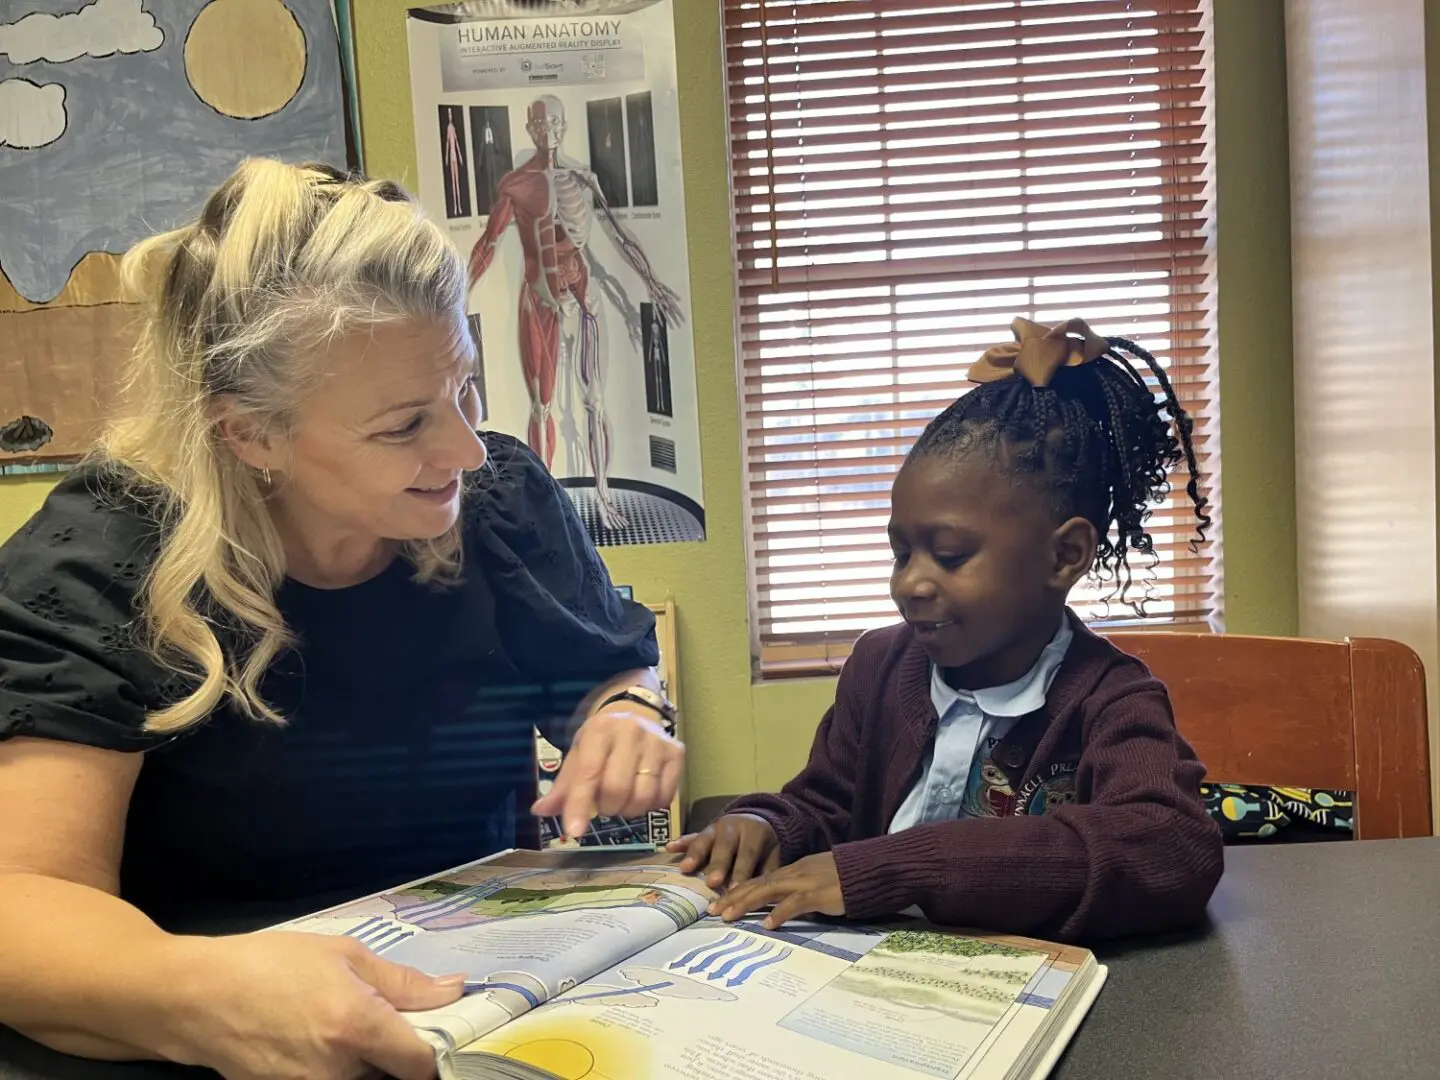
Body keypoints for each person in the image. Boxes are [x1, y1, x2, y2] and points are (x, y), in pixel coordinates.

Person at [0, 158, 682, 1080]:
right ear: (250, 434)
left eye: (467, 388)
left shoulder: (498, 500)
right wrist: (198, 991)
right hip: (201, 1036)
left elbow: (608, 670)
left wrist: (627, 713)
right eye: (405, 425)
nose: (465, 446)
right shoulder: (102, 560)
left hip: (470, 998)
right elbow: (24, 902)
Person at [670, 317, 1225, 944]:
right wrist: (763, 823)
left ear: (1064, 556)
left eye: (951, 555)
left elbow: (1172, 850)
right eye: (901, 553)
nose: (910, 583)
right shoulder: (879, 666)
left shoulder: (1112, 698)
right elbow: (825, 805)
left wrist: (906, 866)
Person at [468, 94, 684, 533]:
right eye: (541, 126)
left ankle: (603, 495)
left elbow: (619, 235)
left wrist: (652, 282)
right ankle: (544, 507)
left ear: (563, 127)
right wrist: (457, 294)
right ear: (530, 129)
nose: (548, 132)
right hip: (541, 297)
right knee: (542, 406)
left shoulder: (582, 179)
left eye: (555, 124)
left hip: (583, 294)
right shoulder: (516, 184)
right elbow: (489, 243)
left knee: (596, 400)